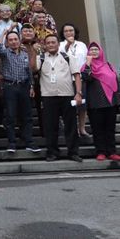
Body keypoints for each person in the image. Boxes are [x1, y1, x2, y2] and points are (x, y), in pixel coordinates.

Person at [33, 34, 83, 162]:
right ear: (45, 45)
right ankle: (52, 152)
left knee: (71, 125)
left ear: (57, 44)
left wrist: (78, 93)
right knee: (50, 126)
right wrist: (34, 52)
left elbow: (77, 75)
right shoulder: (41, 57)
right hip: (48, 96)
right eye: (48, 43)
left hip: (67, 95)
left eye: (53, 42)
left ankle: (73, 152)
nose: (50, 44)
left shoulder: (67, 56)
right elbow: (33, 68)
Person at [0, 30, 39, 154]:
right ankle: (12, 142)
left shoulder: (24, 54)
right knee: (11, 116)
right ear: (7, 42)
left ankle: (29, 142)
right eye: (10, 40)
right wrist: (3, 33)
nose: (13, 42)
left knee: (27, 116)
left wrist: (31, 86)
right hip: (10, 86)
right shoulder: (5, 53)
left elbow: (29, 71)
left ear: (19, 41)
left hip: (24, 86)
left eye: (15, 39)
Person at [82, 42, 120, 161]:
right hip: (95, 103)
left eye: (96, 49)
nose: (94, 51)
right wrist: (88, 63)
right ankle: (101, 151)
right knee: (98, 129)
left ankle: (112, 152)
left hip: (110, 103)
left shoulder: (108, 65)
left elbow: (116, 83)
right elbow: (86, 77)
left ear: (100, 52)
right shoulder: (86, 66)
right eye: (91, 50)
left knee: (110, 128)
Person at [60, 23, 89, 137]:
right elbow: (62, 56)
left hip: (80, 78)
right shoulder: (61, 44)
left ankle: (82, 128)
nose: (68, 33)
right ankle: (72, 128)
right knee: (69, 106)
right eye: (66, 31)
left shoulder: (81, 45)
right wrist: (68, 44)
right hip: (66, 79)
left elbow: (86, 59)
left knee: (82, 105)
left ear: (75, 32)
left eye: (71, 30)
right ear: (63, 33)